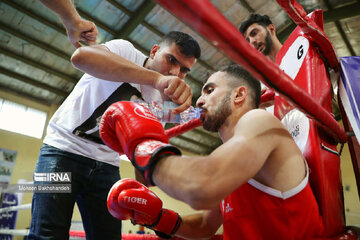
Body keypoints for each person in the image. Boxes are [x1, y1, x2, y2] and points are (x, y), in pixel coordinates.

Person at [100, 64, 325, 239]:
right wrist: (158, 218)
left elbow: (201, 185)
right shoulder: (231, 156)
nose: (199, 99)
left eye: (210, 90)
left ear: (238, 95)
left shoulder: (260, 120)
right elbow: (205, 226)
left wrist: (144, 147)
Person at [29, 25, 201, 240]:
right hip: (60, 150)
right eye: (172, 60)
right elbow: (80, 57)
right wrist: (156, 79)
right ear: (155, 51)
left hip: (106, 165)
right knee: (47, 235)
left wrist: (144, 195)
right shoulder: (125, 50)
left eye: (184, 70)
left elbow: (145, 149)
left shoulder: (163, 101)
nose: (176, 72)